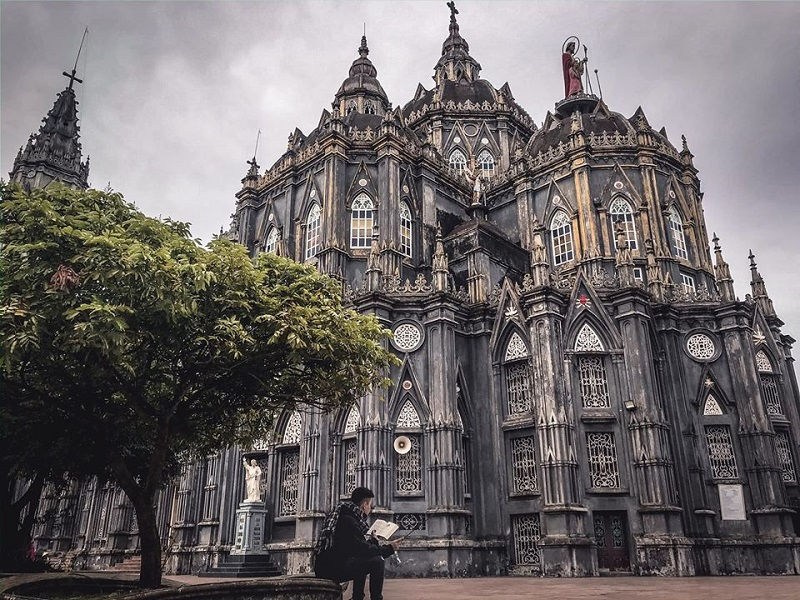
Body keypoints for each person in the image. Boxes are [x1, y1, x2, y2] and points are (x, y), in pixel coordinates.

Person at [313, 487, 395, 600]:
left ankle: (357, 597)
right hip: (330, 569)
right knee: (377, 561)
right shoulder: (349, 520)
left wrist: (373, 541)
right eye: (370, 505)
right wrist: (389, 548)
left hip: (328, 566)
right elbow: (361, 549)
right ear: (364, 504)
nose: (370, 508)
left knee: (362, 559)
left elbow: (355, 546)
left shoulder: (346, 515)